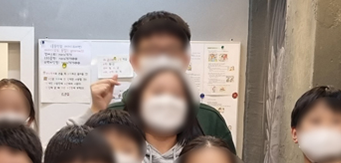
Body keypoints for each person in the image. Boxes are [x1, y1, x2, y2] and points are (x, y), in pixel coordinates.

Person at [79, 11, 235, 151]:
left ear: (185, 60)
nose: (162, 60)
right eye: (151, 51)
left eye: (171, 51)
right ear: (135, 61)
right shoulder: (112, 116)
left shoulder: (209, 119)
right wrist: (94, 113)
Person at [121, 66, 205, 163]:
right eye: (158, 92)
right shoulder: (121, 154)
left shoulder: (202, 156)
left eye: (177, 95)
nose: (167, 101)